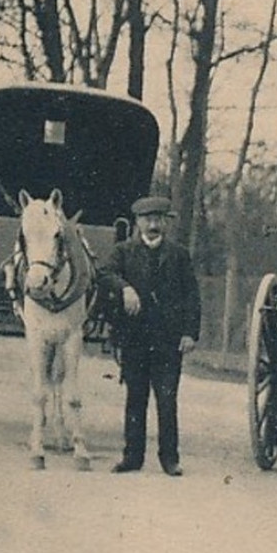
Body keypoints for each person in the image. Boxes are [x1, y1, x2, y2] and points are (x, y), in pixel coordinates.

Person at [98, 196, 201, 476]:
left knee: (167, 401)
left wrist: (190, 333)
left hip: (169, 341)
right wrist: (125, 288)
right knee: (135, 398)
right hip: (134, 338)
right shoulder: (123, 251)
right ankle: (132, 457)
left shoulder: (178, 254)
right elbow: (104, 274)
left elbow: (192, 295)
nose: (153, 225)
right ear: (138, 222)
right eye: (147, 219)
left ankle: (170, 459)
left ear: (166, 222)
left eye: (158, 219)